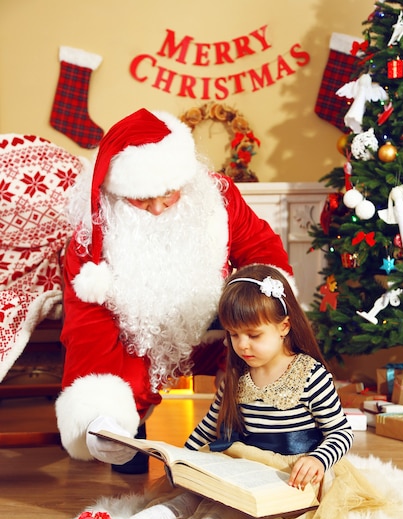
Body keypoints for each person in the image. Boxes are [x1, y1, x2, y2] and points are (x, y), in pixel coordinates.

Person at [71, 263, 356, 519]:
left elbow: (341, 432)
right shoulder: (239, 376)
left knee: (221, 516)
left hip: (290, 476)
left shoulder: (310, 375)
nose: (243, 345)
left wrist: (318, 459)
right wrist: (181, 459)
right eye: (234, 335)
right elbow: (209, 427)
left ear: (284, 327)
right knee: (185, 500)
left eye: (253, 335)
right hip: (244, 467)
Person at [55, 108, 294, 475]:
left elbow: (261, 247)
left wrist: (258, 304)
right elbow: (88, 327)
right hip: (136, 335)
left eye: (167, 193)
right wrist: (100, 408)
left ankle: (259, 436)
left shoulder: (218, 197)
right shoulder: (91, 239)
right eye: (141, 198)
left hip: (217, 325)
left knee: (261, 343)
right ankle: (128, 440)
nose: (156, 207)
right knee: (119, 401)